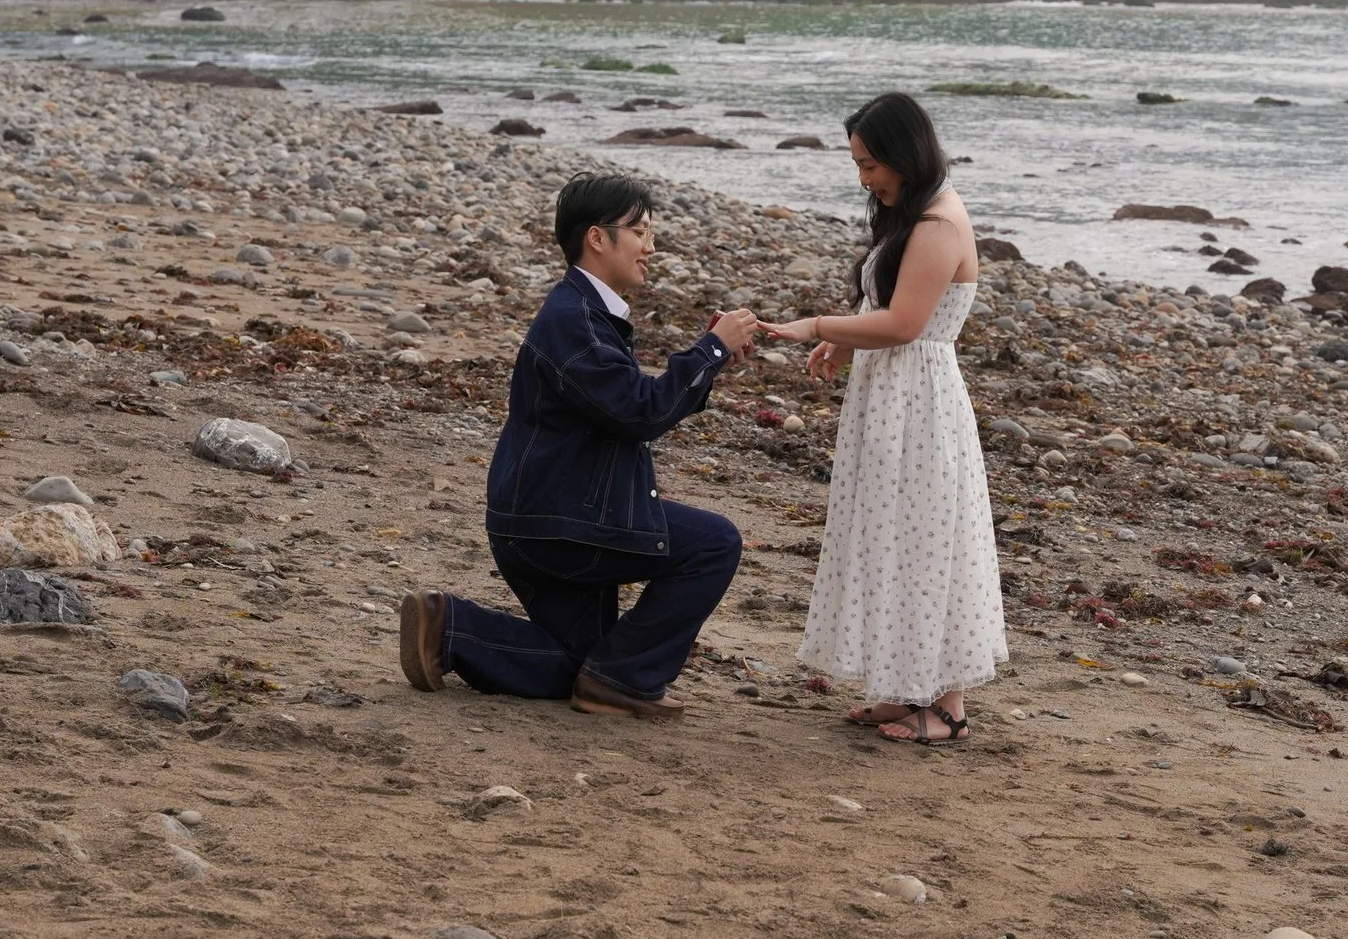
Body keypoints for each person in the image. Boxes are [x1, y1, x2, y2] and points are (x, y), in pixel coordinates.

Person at [396, 173, 758, 721]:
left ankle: (451, 628)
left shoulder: (584, 313)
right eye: (639, 231)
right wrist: (711, 350)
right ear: (597, 237)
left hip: (546, 518)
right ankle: (626, 684)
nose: (651, 247)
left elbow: (627, 406)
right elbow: (642, 411)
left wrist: (710, 359)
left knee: (578, 666)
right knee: (714, 543)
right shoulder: (574, 320)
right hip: (561, 524)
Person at [759, 92, 1005, 745]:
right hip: (892, 397)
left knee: (926, 541)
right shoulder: (913, 212)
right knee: (892, 538)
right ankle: (906, 688)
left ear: (903, 153)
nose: (864, 178)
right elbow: (890, 306)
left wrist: (814, 323)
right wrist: (846, 340)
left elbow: (905, 323)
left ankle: (948, 705)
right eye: (859, 165)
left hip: (920, 405)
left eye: (870, 164)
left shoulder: (940, 222)